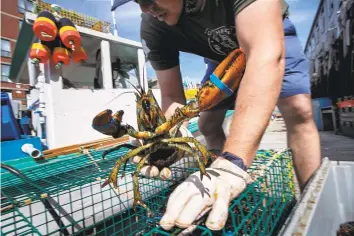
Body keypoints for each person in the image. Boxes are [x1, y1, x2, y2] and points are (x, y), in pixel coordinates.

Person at [111, 0, 321, 231]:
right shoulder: (153, 26)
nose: (145, 8)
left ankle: (313, 203)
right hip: (222, 59)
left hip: (267, 37)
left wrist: (234, 161)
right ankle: (222, 189)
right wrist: (172, 132)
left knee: (299, 110)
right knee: (208, 123)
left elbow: (265, 57)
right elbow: (172, 97)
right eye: (138, 1)